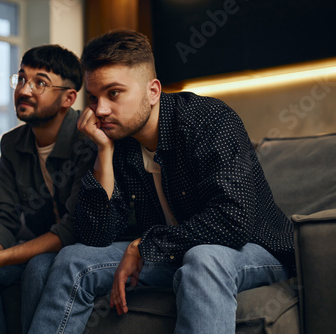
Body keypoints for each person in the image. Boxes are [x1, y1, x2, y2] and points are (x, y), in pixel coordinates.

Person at [26, 30, 295, 334]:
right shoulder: (116, 138)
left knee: (203, 257)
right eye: (94, 97)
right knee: (72, 258)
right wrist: (103, 153)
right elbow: (94, 236)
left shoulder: (209, 120)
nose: (99, 111)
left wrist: (144, 246)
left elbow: (233, 220)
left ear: (153, 91)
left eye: (114, 93)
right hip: (172, 252)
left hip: (255, 247)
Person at [0, 44, 95, 334]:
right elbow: (2, 213)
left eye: (40, 82)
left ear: (69, 98)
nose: (24, 90)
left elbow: (73, 228)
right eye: (21, 79)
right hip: (44, 244)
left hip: (86, 247)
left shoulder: (87, 139)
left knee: (40, 266)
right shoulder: (13, 143)